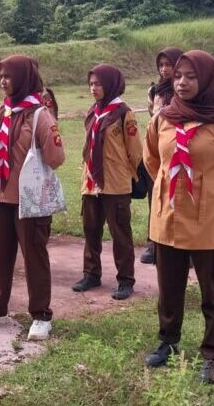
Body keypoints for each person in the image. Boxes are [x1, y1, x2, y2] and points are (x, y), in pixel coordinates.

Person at [142, 50, 214, 384]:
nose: (182, 82)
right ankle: (168, 341)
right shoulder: (163, 118)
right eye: (178, 76)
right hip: (168, 220)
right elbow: (151, 159)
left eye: (191, 77)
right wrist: (167, 187)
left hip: (207, 221)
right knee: (169, 287)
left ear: (206, 79)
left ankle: (213, 354)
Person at [0, 55, 65, 341]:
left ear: (23, 78)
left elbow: (57, 157)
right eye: (0, 76)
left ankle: (40, 315)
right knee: (0, 256)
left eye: (9, 77)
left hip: (30, 201)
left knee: (34, 256)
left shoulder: (40, 115)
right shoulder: (0, 112)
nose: (3, 82)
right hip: (0, 196)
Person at [73, 64, 141, 300]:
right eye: (91, 84)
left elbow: (135, 152)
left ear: (110, 84)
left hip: (115, 183)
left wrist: (128, 176)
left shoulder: (123, 113)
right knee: (91, 230)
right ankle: (91, 274)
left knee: (120, 233)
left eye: (99, 84)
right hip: (91, 184)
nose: (94, 88)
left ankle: (126, 280)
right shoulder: (93, 111)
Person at [142, 46, 183, 264]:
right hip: (157, 148)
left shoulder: (184, 89)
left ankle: (182, 243)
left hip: (180, 148)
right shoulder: (154, 91)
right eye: (161, 65)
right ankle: (154, 242)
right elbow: (152, 117)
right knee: (155, 196)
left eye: (169, 64)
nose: (165, 69)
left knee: (179, 196)